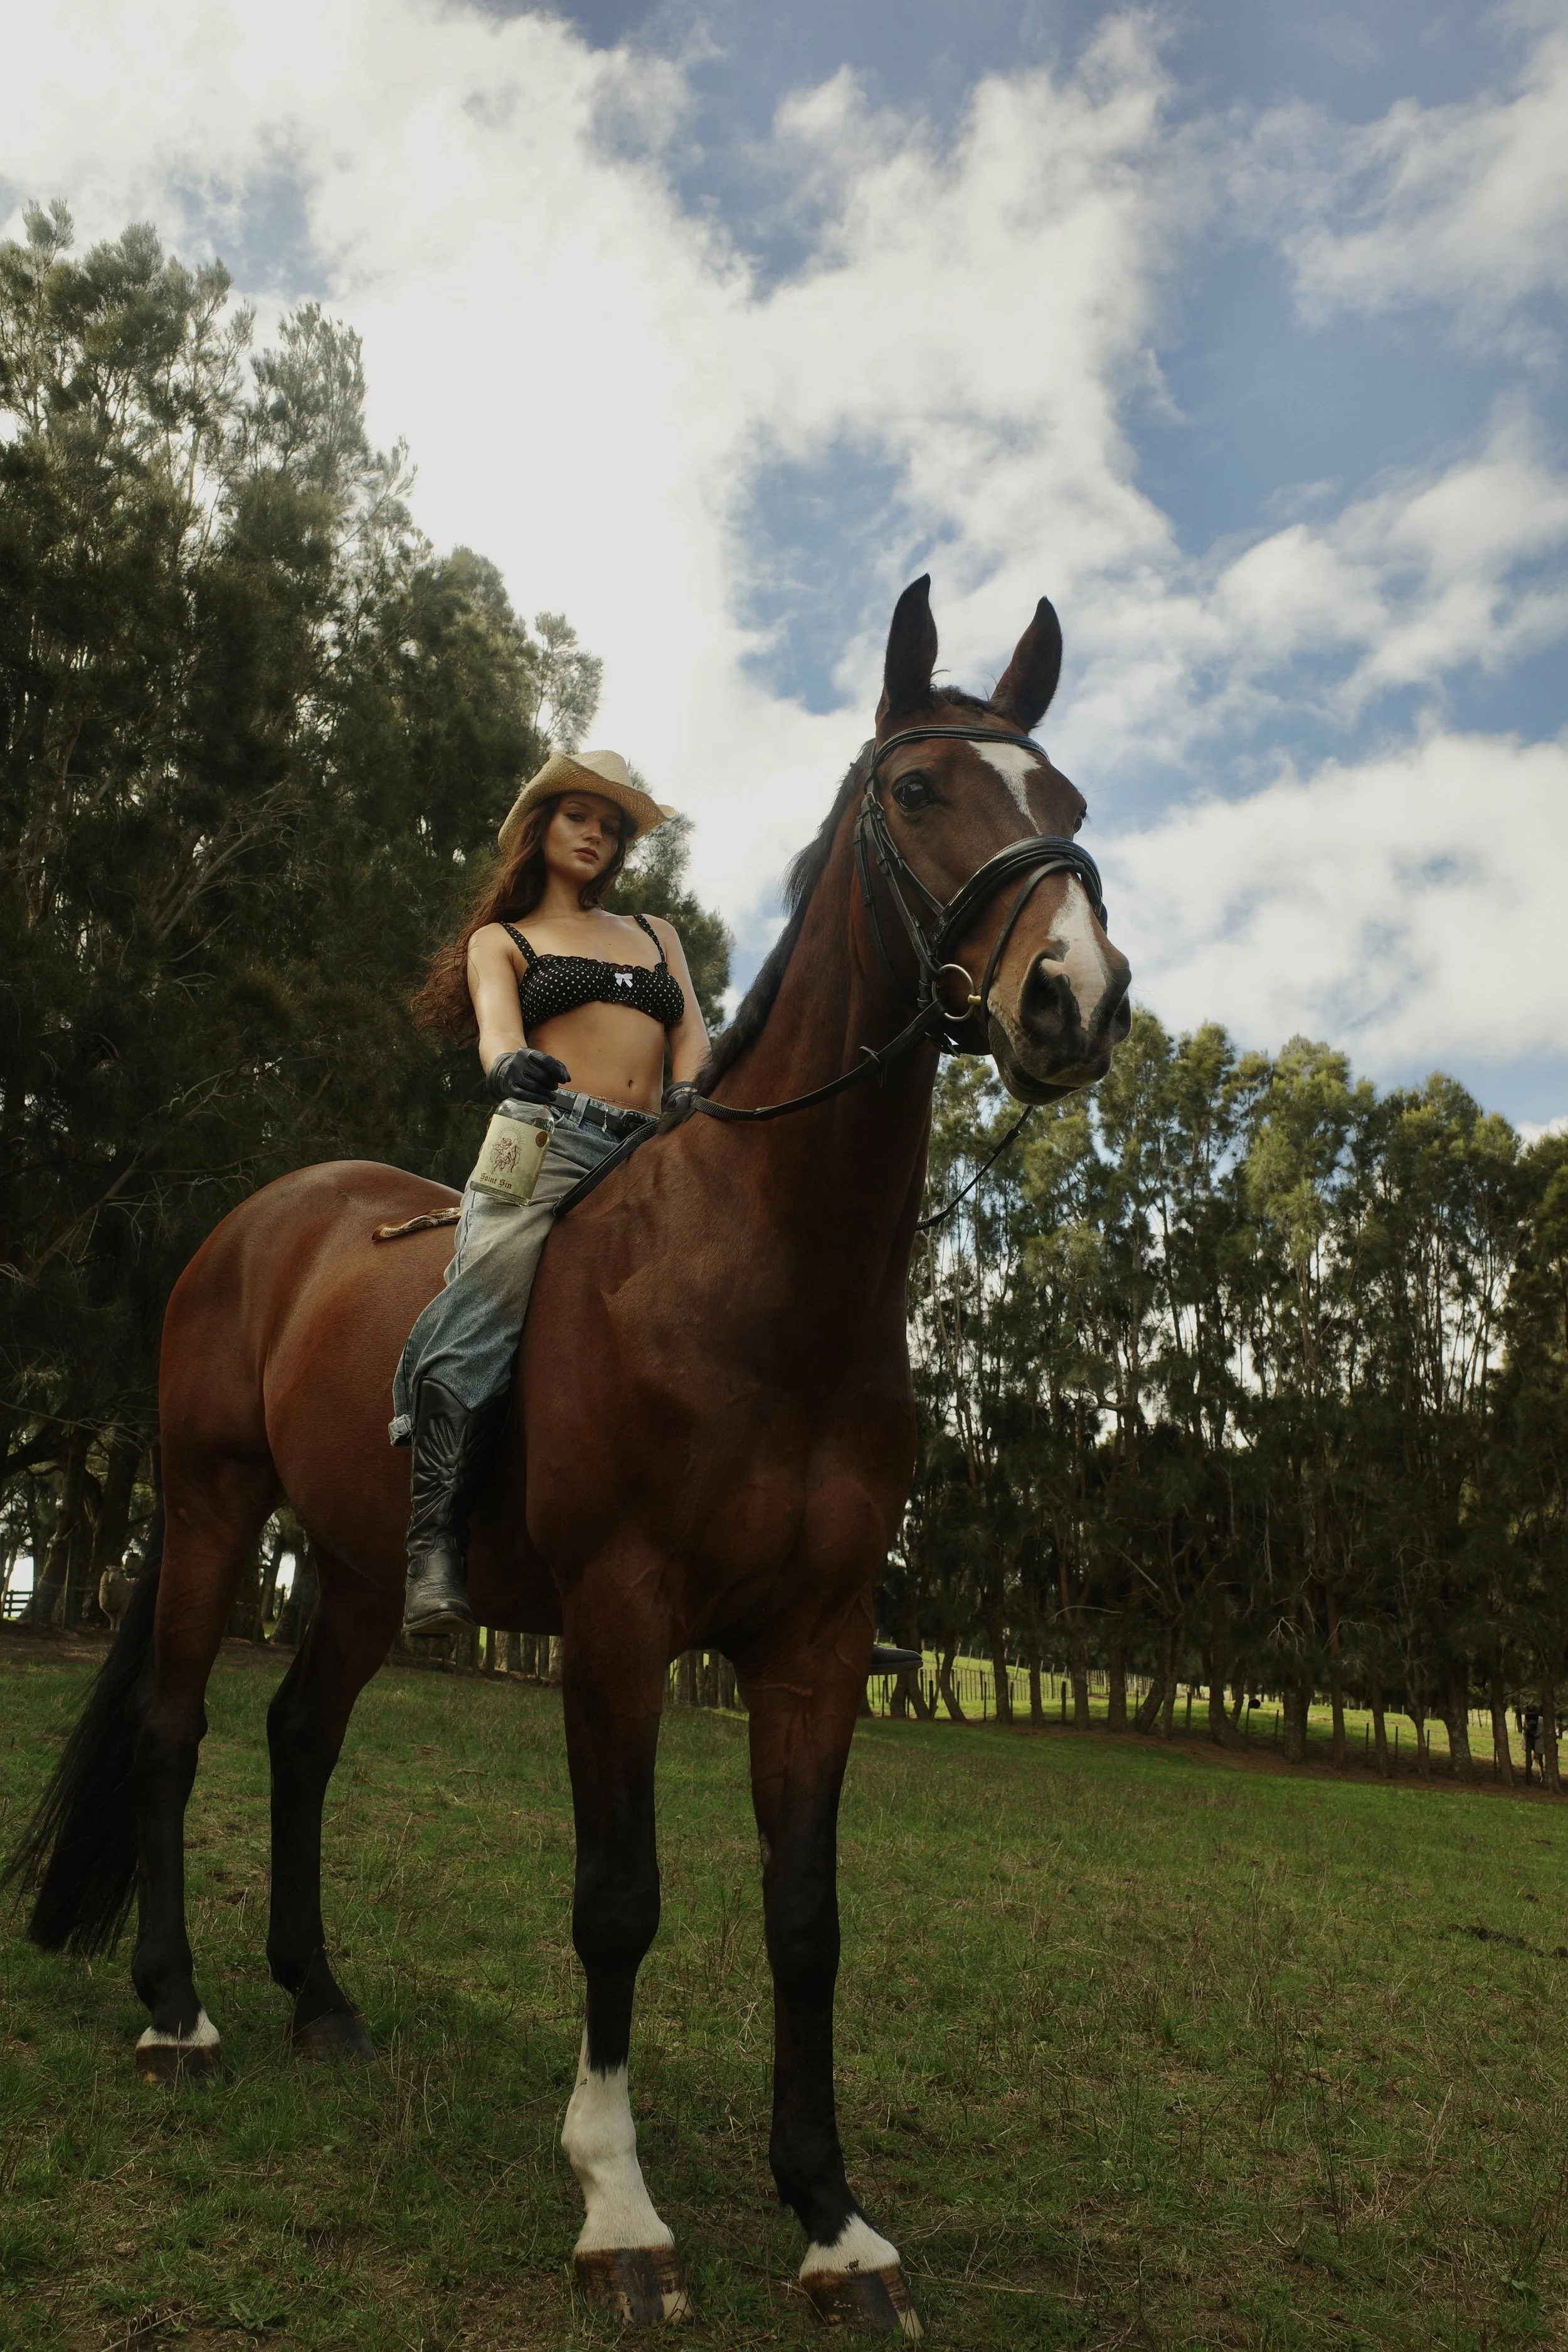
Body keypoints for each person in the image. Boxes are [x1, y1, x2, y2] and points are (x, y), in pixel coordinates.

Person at [392, 748, 709, 1633]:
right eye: (581, 818)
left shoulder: (656, 935)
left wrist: (690, 1093)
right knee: (488, 1291)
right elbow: (498, 1033)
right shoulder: (502, 939)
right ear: (542, 827)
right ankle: (433, 1544)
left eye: (611, 828)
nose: (597, 838)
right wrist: (511, 1063)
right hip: (542, 1133)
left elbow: (693, 1037)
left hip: (659, 1145)